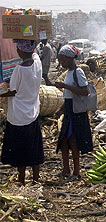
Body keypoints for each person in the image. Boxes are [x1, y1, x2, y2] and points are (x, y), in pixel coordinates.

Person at [0, 40, 44, 185]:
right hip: (33, 112)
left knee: (21, 149)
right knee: (34, 148)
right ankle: (36, 178)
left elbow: (12, 91)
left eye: (18, 49)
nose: (17, 51)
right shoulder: (37, 63)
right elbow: (35, 50)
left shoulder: (19, 69)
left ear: (22, 51)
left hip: (18, 115)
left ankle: (21, 179)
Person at [54, 45, 93, 181]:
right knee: (63, 141)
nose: (61, 63)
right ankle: (66, 169)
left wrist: (65, 86)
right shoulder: (69, 73)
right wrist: (61, 109)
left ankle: (76, 172)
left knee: (73, 141)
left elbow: (85, 91)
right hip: (70, 109)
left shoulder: (78, 72)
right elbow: (69, 95)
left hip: (77, 112)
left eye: (63, 60)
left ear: (70, 58)